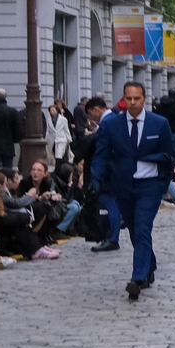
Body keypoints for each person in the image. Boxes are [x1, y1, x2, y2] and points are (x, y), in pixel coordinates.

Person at [90, 81, 174, 300]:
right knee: (135, 229)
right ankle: (149, 266)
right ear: (123, 99)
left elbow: (169, 155)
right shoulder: (112, 125)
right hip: (124, 186)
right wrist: (93, 180)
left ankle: (137, 277)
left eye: (137, 98)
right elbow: (102, 155)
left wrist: (162, 182)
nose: (133, 102)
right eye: (129, 98)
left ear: (144, 98)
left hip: (150, 186)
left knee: (143, 228)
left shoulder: (159, 123)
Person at [74, 97, 122, 251]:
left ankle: (112, 237)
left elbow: (102, 152)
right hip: (113, 168)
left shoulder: (107, 123)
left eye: (90, 113)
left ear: (96, 109)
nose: (91, 117)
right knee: (111, 202)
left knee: (109, 202)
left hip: (108, 170)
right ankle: (111, 236)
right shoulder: (113, 119)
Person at [0, 171, 50, 259]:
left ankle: (36, 248)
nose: (5, 188)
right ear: (0, 186)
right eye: (4, 185)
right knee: (14, 224)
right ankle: (36, 249)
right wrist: (25, 217)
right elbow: (2, 218)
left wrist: (23, 217)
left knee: (15, 222)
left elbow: (4, 213)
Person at [18, 159, 81, 236]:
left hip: (45, 207)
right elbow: (20, 201)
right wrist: (39, 198)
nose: (35, 173)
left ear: (45, 173)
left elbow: (56, 194)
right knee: (70, 207)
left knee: (73, 204)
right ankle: (56, 230)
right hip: (31, 209)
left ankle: (58, 231)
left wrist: (53, 196)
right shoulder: (24, 183)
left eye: (39, 170)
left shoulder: (47, 183)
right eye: (33, 170)